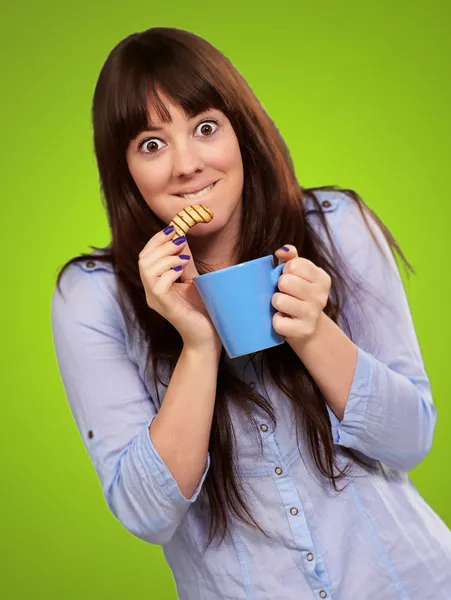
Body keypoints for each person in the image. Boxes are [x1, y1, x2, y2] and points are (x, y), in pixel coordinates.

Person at [50, 26, 451, 600]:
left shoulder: (335, 225)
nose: (186, 165)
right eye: (152, 144)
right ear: (125, 169)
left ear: (242, 131)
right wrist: (197, 345)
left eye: (205, 128)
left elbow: (411, 439)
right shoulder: (92, 297)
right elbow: (147, 513)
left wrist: (314, 333)